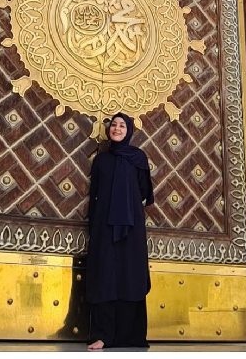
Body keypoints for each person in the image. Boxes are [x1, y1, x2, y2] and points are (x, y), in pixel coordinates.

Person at [86, 113, 154, 350]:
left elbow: (145, 191)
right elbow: (94, 195)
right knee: (105, 276)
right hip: (104, 227)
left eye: (122, 125)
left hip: (131, 228)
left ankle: (130, 335)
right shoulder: (101, 160)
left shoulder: (138, 158)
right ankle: (103, 335)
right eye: (113, 125)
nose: (116, 128)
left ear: (130, 130)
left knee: (129, 276)